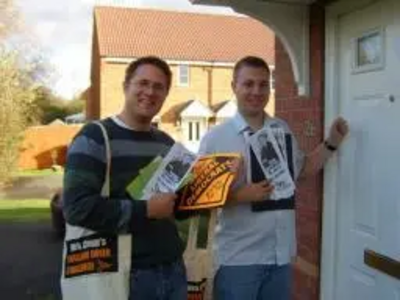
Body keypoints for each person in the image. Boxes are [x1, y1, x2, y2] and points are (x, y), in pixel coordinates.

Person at [198, 56, 349, 300]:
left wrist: (332, 142)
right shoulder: (216, 139)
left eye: (263, 84)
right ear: (234, 86)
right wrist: (240, 195)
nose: (256, 91)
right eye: (248, 84)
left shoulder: (282, 129)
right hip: (239, 261)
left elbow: (304, 169)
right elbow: (198, 200)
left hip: (281, 259)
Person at [62, 56, 187, 300]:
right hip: (122, 277)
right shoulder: (94, 137)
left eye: (158, 87)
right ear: (126, 86)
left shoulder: (167, 144)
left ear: (165, 95)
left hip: (173, 269)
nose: (150, 92)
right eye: (143, 83)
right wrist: (146, 210)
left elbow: (177, 208)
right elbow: (76, 208)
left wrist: (212, 187)